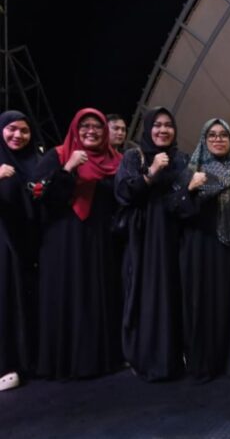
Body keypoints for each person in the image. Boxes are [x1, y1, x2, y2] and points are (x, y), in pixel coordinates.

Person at [35, 108, 124, 379]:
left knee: (97, 295)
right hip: (62, 241)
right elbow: (40, 196)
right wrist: (68, 169)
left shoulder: (116, 160)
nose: (91, 131)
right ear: (75, 128)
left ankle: (98, 361)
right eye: (85, 126)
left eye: (97, 126)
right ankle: (64, 362)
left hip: (100, 241)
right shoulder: (58, 155)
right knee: (66, 295)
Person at [172, 118, 230, 380]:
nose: (218, 139)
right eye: (212, 135)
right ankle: (201, 363)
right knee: (199, 304)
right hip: (197, 248)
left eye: (224, 135)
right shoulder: (190, 171)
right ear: (204, 139)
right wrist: (190, 188)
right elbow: (176, 209)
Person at [115, 106, 189, 381]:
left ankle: (173, 358)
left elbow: (188, 196)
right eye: (157, 125)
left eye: (168, 125)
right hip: (143, 239)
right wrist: (152, 172)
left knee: (173, 294)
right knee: (142, 293)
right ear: (148, 128)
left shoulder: (181, 159)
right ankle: (143, 357)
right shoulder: (133, 157)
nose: (163, 130)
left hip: (174, 237)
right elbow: (123, 192)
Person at [0, 111, 40, 391]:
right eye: (12, 129)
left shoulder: (35, 162)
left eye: (24, 131)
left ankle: (28, 362)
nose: (18, 135)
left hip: (30, 245)